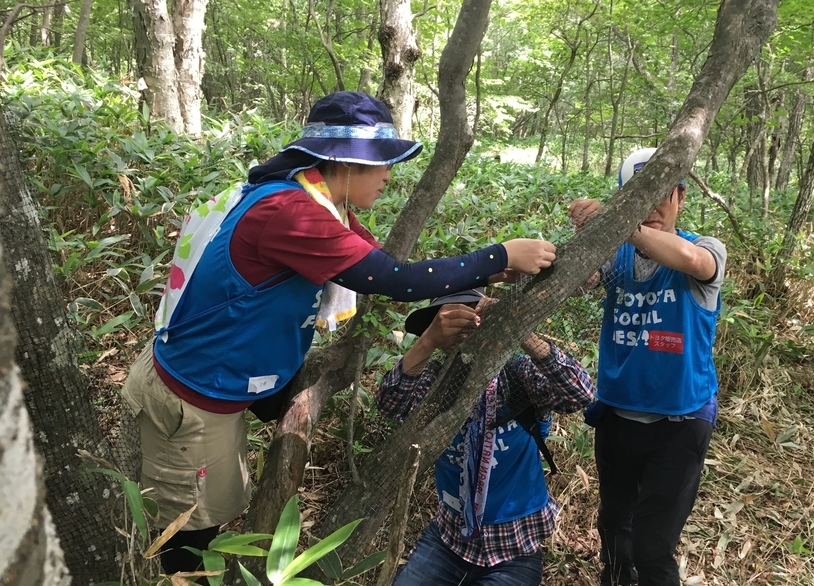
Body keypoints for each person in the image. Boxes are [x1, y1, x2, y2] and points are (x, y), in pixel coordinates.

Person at [120, 91, 556, 577]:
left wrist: (487, 275)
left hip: (218, 386)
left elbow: (383, 266)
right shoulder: (291, 213)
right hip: (193, 400)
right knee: (186, 534)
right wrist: (499, 254)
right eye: (382, 163)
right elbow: (395, 280)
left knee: (210, 515)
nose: (390, 175)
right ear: (346, 162)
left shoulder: (314, 201)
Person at [568, 147, 727, 586]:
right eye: (637, 197)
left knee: (653, 544)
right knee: (614, 528)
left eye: (661, 194)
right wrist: (589, 232)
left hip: (680, 421)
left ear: (680, 197)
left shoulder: (705, 249)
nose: (652, 207)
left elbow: (694, 263)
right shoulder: (616, 253)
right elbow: (580, 279)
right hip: (618, 415)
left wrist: (622, 225)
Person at [376, 288, 594, 586]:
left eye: (471, 319)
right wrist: (427, 341)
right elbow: (391, 404)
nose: (465, 332)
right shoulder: (437, 382)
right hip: (449, 539)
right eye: (451, 325)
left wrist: (519, 330)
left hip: (515, 547)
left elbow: (580, 393)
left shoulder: (517, 375)